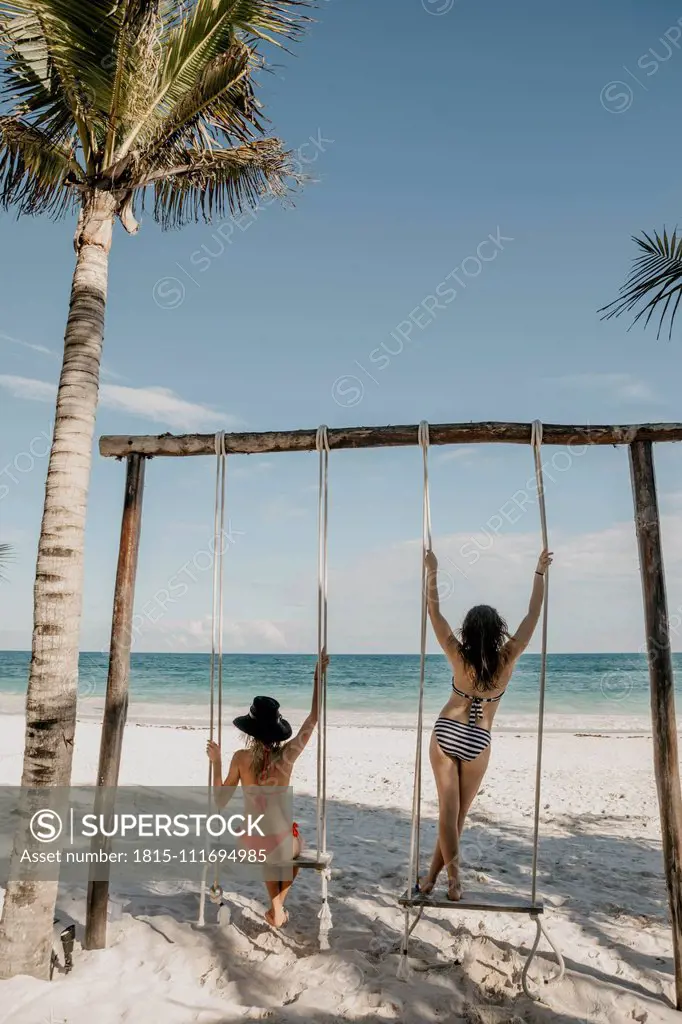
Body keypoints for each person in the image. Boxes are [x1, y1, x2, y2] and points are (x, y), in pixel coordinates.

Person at [419, 548, 552, 901]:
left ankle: (445, 879)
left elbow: (434, 612)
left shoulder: (458, 655)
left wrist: (433, 570)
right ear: (497, 632)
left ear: (469, 631)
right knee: (458, 815)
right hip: (479, 737)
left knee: (448, 813)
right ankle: (442, 881)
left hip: (448, 728)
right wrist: (538, 574)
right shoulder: (508, 657)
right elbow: (533, 614)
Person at [206, 651, 329, 929]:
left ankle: (277, 910)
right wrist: (317, 677)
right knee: (296, 852)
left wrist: (216, 763)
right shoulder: (287, 756)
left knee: (267, 849)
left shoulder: (239, 758)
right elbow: (312, 720)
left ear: (250, 730)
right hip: (282, 844)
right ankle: (277, 908)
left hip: (250, 844)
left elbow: (220, 800)